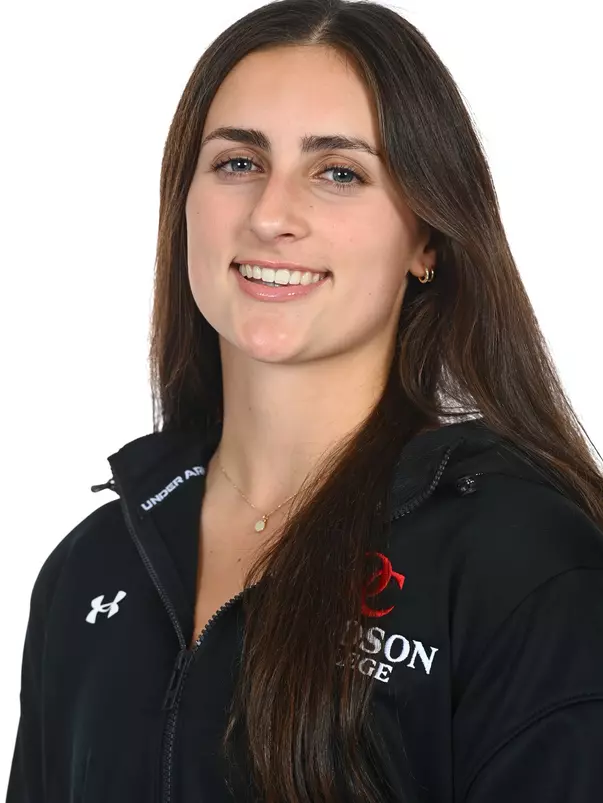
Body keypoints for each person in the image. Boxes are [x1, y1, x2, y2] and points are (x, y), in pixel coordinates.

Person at [7, 1, 603, 801]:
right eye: (238, 163)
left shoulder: (520, 560)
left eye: (338, 173)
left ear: (425, 237)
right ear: (184, 202)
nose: (271, 215)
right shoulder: (89, 567)